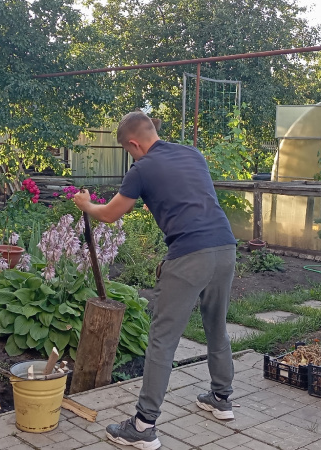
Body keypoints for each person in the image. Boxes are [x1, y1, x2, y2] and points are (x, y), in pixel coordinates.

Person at [72, 111, 237, 450]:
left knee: (162, 340)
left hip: (190, 255)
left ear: (134, 143)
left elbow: (110, 214)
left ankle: (143, 426)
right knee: (216, 326)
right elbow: (186, 194)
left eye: (129, 151)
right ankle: (221, 398)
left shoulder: (142, 169)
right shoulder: (192, 153)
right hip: (225, 248)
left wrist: (86, 204)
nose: (131, 156)